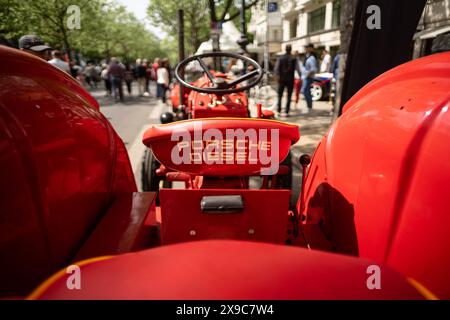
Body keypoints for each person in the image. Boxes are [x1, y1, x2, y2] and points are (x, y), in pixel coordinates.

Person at [274, 44, 302, 117]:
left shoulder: (280, 58)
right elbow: (298, 69)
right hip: (290, 79)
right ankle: (287, 111)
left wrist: (277, 76)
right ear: (290, 49)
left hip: (281, 79)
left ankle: (279, 110)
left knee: (279, 95)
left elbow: (276, 69)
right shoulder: (294, 58)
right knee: (289, 95)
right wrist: (300, 77)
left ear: (285, 49)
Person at [301, 44, 318, 111]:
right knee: (306, 91)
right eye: (305, 47)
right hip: (305, 77)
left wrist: (307, 76)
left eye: (307, 47)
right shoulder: (307, 57)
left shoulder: (312, 58)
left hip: (308, 77)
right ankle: (309, 106)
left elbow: (313, 69)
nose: (306, 49)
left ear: (311, 49)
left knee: (305, 91)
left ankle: (309, 107)